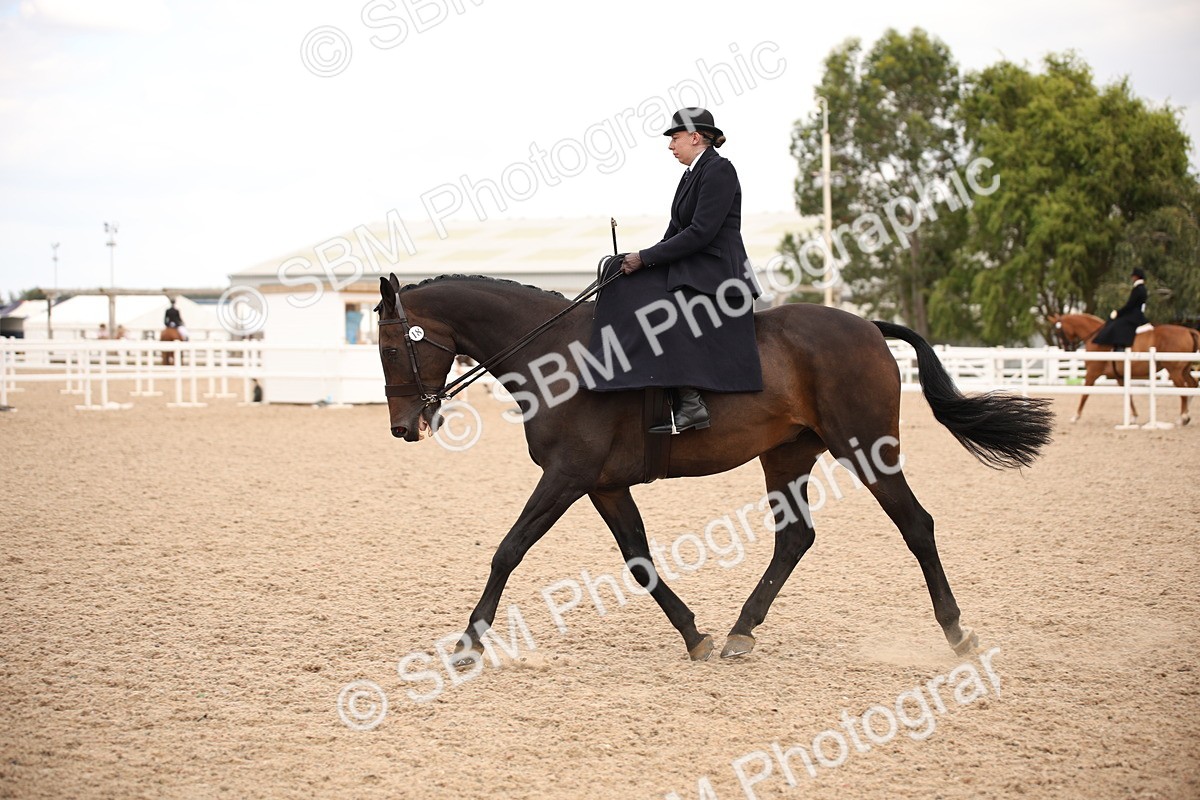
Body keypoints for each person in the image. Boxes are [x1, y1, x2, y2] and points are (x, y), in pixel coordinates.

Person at [587, 107, 763, 433]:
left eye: (675, 137)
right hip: (693, 267)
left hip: (718, 274)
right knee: (622, 278)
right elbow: (674, 232)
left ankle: (691, 402)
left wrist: (647, 258)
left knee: (661, 310)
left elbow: (700, 233)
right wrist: (636, 259)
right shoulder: (690, 175)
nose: (671, 146)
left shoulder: (719, 170)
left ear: (696, 137)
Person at [1093, 267, 1150, 351]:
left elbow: (1130, 305)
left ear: (1136, 277)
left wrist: (1118, 313)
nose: (1132, 278)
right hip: (1137, 314)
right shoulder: (1142, 288)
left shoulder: (1138, 289)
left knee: (1117, 325)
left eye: (1133, 276)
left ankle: (1120, 348)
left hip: (1134, 316)